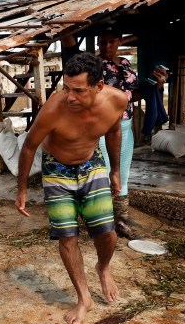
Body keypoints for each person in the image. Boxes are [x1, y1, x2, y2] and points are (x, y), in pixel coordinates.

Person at [15, 52, 127, 324]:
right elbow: (29, 146)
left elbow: (113, 131)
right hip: (57, 168)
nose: (71, 96)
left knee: (107, 232)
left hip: (91, 163)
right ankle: (83, 297)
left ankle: (103, 267)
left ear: (99, 86)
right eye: (66, 88)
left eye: (78, 90)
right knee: (67, 236)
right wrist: (22, 190)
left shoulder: (117, 100)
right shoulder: (55, 107)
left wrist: (114, 170)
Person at [61, 28, 167, 238]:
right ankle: (98, 221)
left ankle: (120, 220)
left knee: (121, 173)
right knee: (101, 172)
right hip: (100, 127)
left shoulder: (126, 65)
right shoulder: (93, 67)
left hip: (124, 125)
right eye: (102, 42)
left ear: (119, 41)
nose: (106, 46)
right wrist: (66, 33)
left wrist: (155, 85)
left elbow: (131, 95)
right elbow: (71, 51)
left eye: (111, 41)